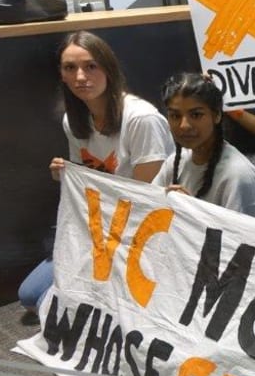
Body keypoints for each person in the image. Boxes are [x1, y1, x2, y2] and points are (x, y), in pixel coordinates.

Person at [18, 30, 175, 310]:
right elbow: (86, 184)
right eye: (70, 68)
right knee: (29, 296)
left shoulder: (142, 119)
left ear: (109, 69)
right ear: (62, 75)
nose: (80, 77)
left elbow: (147, 199)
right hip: (99, 225)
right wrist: (68, 176)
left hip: (140, 230)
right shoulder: (74, 120)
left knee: (52, 305)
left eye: (91, 66)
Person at [154, 73, 255, 220]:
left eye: (196, 115)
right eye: (175, 116)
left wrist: (192, 213)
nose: (184, 125)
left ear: (217, 115)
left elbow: (237, 240)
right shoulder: (173, 162)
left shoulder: (238, 177)